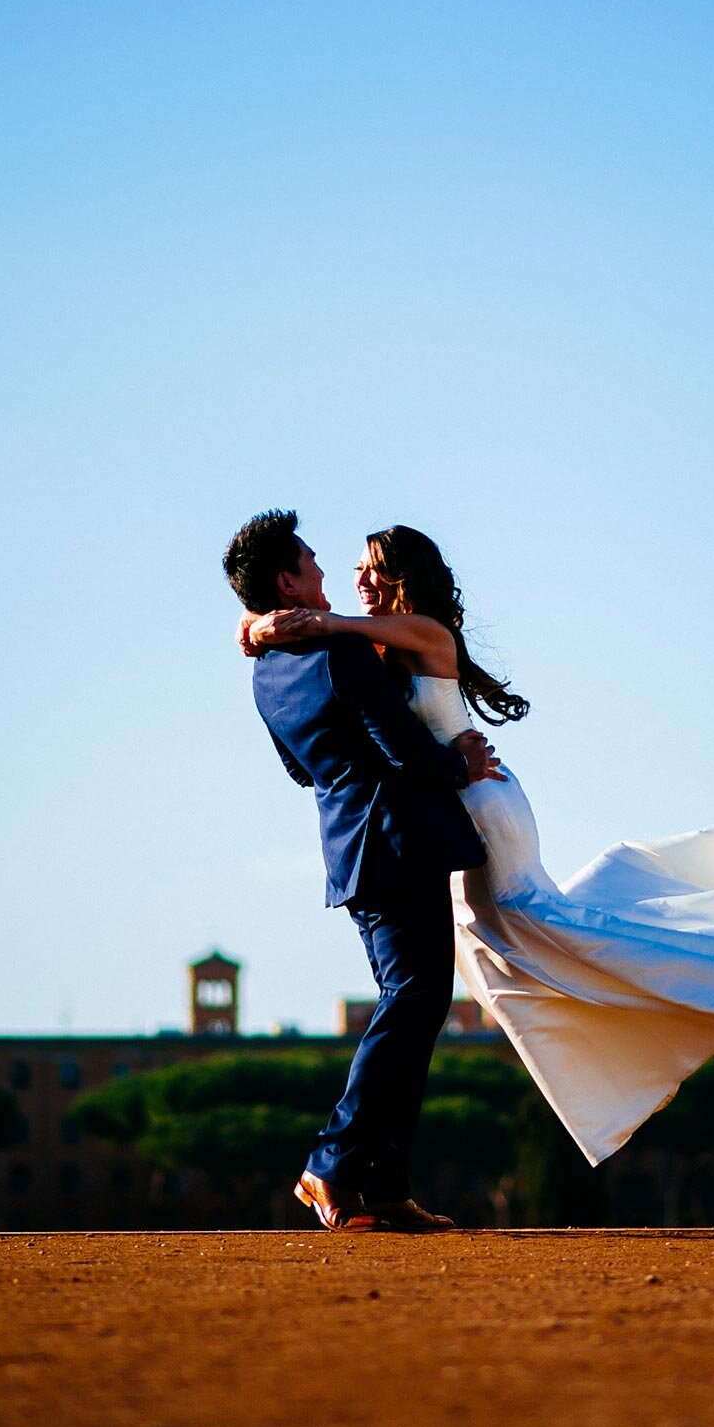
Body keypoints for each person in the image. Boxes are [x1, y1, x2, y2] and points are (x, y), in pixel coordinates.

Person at [241, 523, 714, 1167]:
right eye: (348, 564)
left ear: (404, 577)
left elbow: (332, 634)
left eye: (371, 564)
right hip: (453, 809)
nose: (355, 577)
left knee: (543, 939)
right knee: (503, 956)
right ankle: (630, 1031)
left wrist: (262, 625)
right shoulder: (374, 648)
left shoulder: (420, 633)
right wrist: (263, 626)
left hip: (480, 804)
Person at [223, 510, 503, 1233]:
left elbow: (298, 768)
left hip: (352, 851)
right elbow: (406, 747)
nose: (323, 571)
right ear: (288, 578)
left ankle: (380, 1190)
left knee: (413, 1003)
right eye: (311, 561)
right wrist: (458, 763)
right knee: (413, 1001)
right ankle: (332, 1164)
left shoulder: (265, 676)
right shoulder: (342, 652)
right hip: (399, 840)